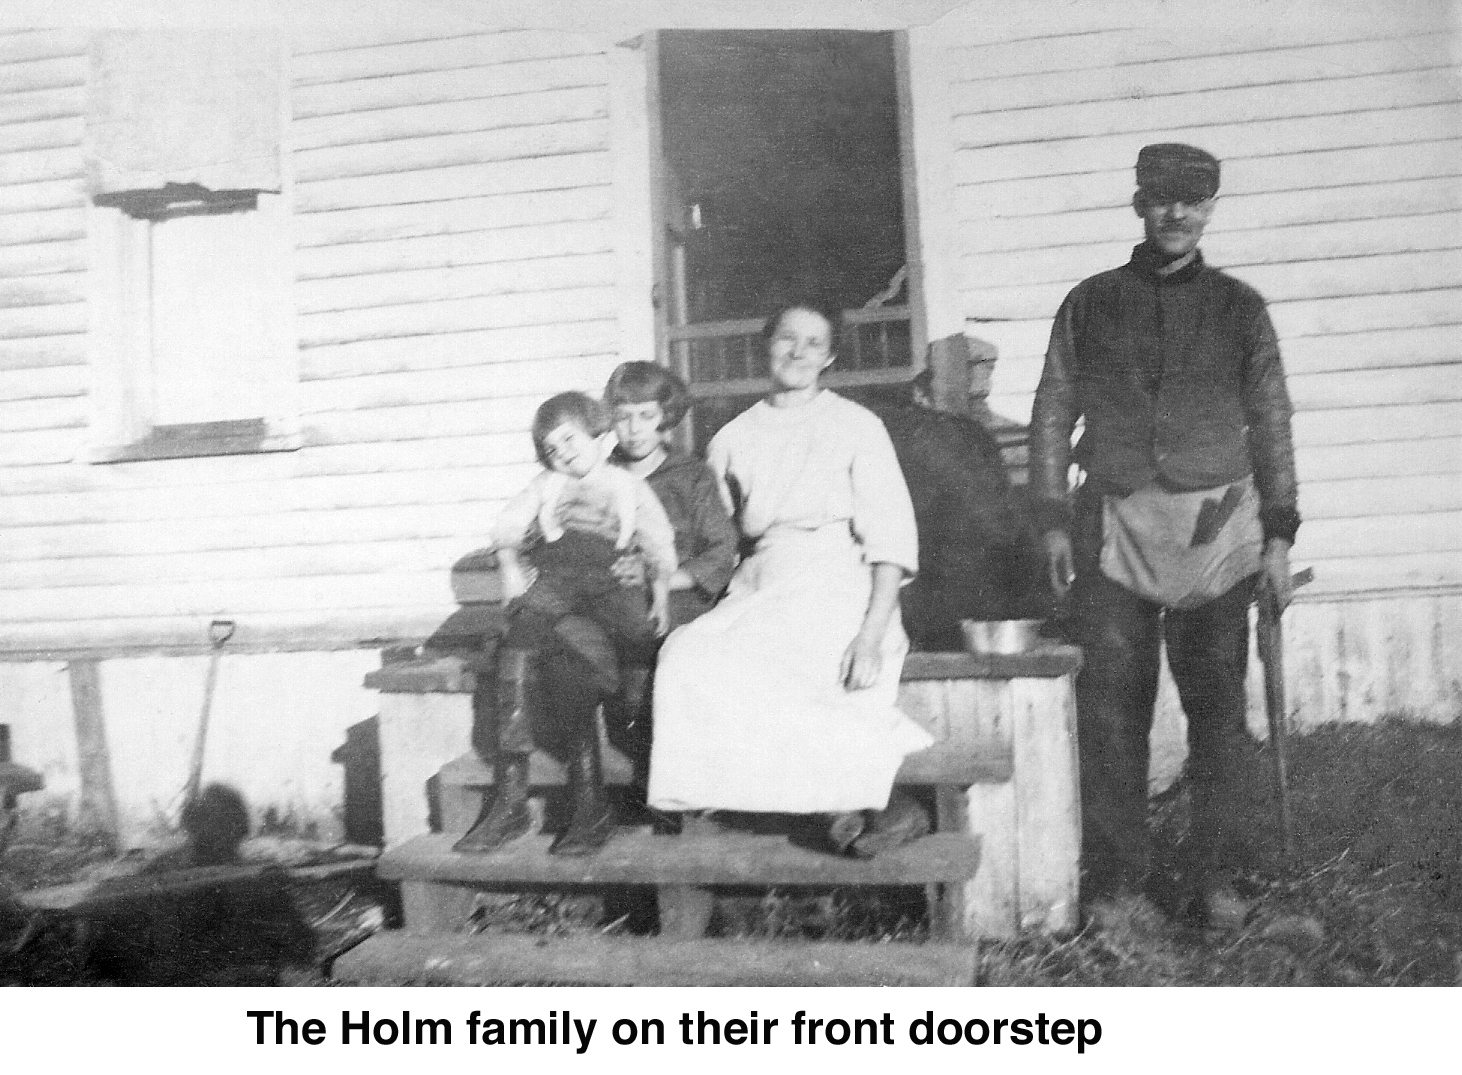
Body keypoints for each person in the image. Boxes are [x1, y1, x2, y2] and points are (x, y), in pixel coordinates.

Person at [1030, 143, 1301, 927]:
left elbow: (1272, 421)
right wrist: (1051, 517)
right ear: (1138, 205)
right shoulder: (1091, 301)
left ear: (1210, 208)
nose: (1176, 213)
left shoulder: (1240, 307)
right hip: (1112, 527)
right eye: (1161, 198)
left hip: (1217, 534)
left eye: (1193, 199)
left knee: (1217, 712)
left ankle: (1222, 886)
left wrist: (1278, 535)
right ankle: (1118, 889)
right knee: (1113, 710)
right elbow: (1052, 409)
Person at [647, 304, 934, 858]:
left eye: (812, 342)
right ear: (767, 346)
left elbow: (892, 539)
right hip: (763, 579)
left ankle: (881, 805)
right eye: (786, 339)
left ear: (829, 356)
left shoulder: (856, 426)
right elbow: (718, 538)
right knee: (688, 653)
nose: (798, 352)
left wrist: (872, 633)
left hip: (842, 579)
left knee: (804, 650)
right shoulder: (732, 436)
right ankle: (810, 802)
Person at [454, 391, 677, 856]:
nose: (564, 453)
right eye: (553, 448)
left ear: (601, 436)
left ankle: (586, 809)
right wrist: (511, 565)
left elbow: (657, 539)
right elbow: (509, 524)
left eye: (572, 440)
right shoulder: (545, 484)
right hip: (559, 582)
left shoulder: (626, 485)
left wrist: (659, 593)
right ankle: (513, 792)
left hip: (610, 590)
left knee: (573, 655)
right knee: (519, 644)